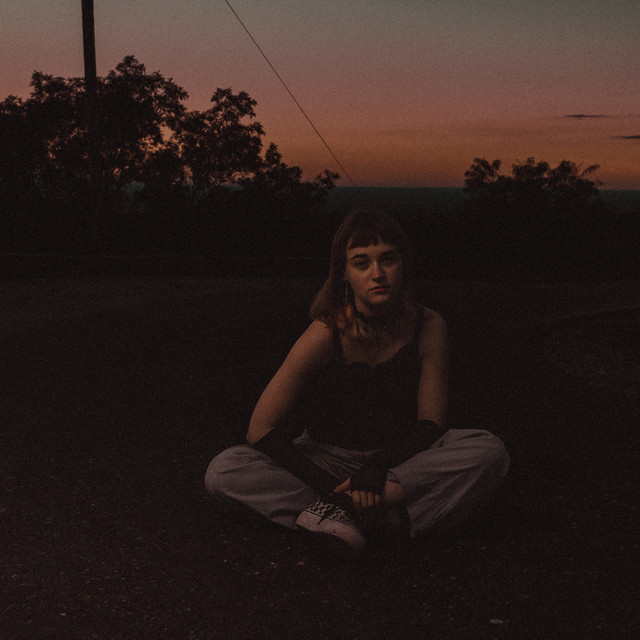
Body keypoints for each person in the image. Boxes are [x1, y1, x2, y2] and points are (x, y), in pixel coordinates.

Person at [205, 208, 509, 559]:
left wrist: (378, 470)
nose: (377, 274)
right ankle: (374, 516)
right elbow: (259, 428)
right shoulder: (325, 332)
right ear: (344, 273)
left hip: (402, 463)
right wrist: (336, 489)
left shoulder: (429, 326)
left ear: (403, 264)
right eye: (361, 263)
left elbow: (432, 423)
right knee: (224, 471)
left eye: (388, 260)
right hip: (329, 461)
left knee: (489, 451)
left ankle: (339, 520)